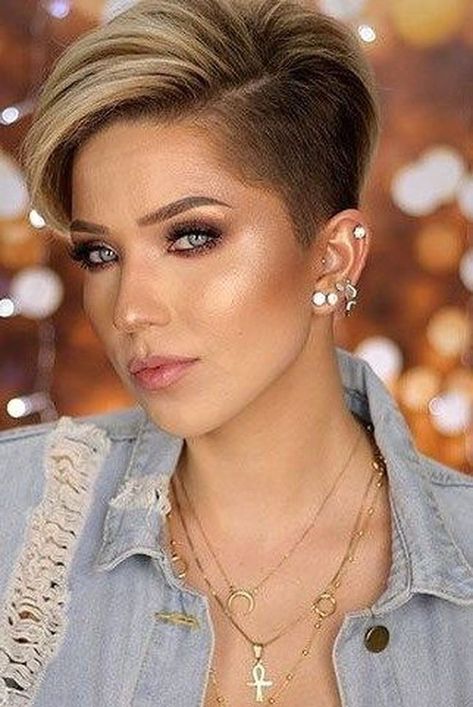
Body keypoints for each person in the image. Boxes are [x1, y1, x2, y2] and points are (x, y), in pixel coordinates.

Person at [1, 0, 472, 705]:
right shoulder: (16, 518)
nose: (130, 309)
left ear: (332, 257)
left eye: (192, 237)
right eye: (100, 253)